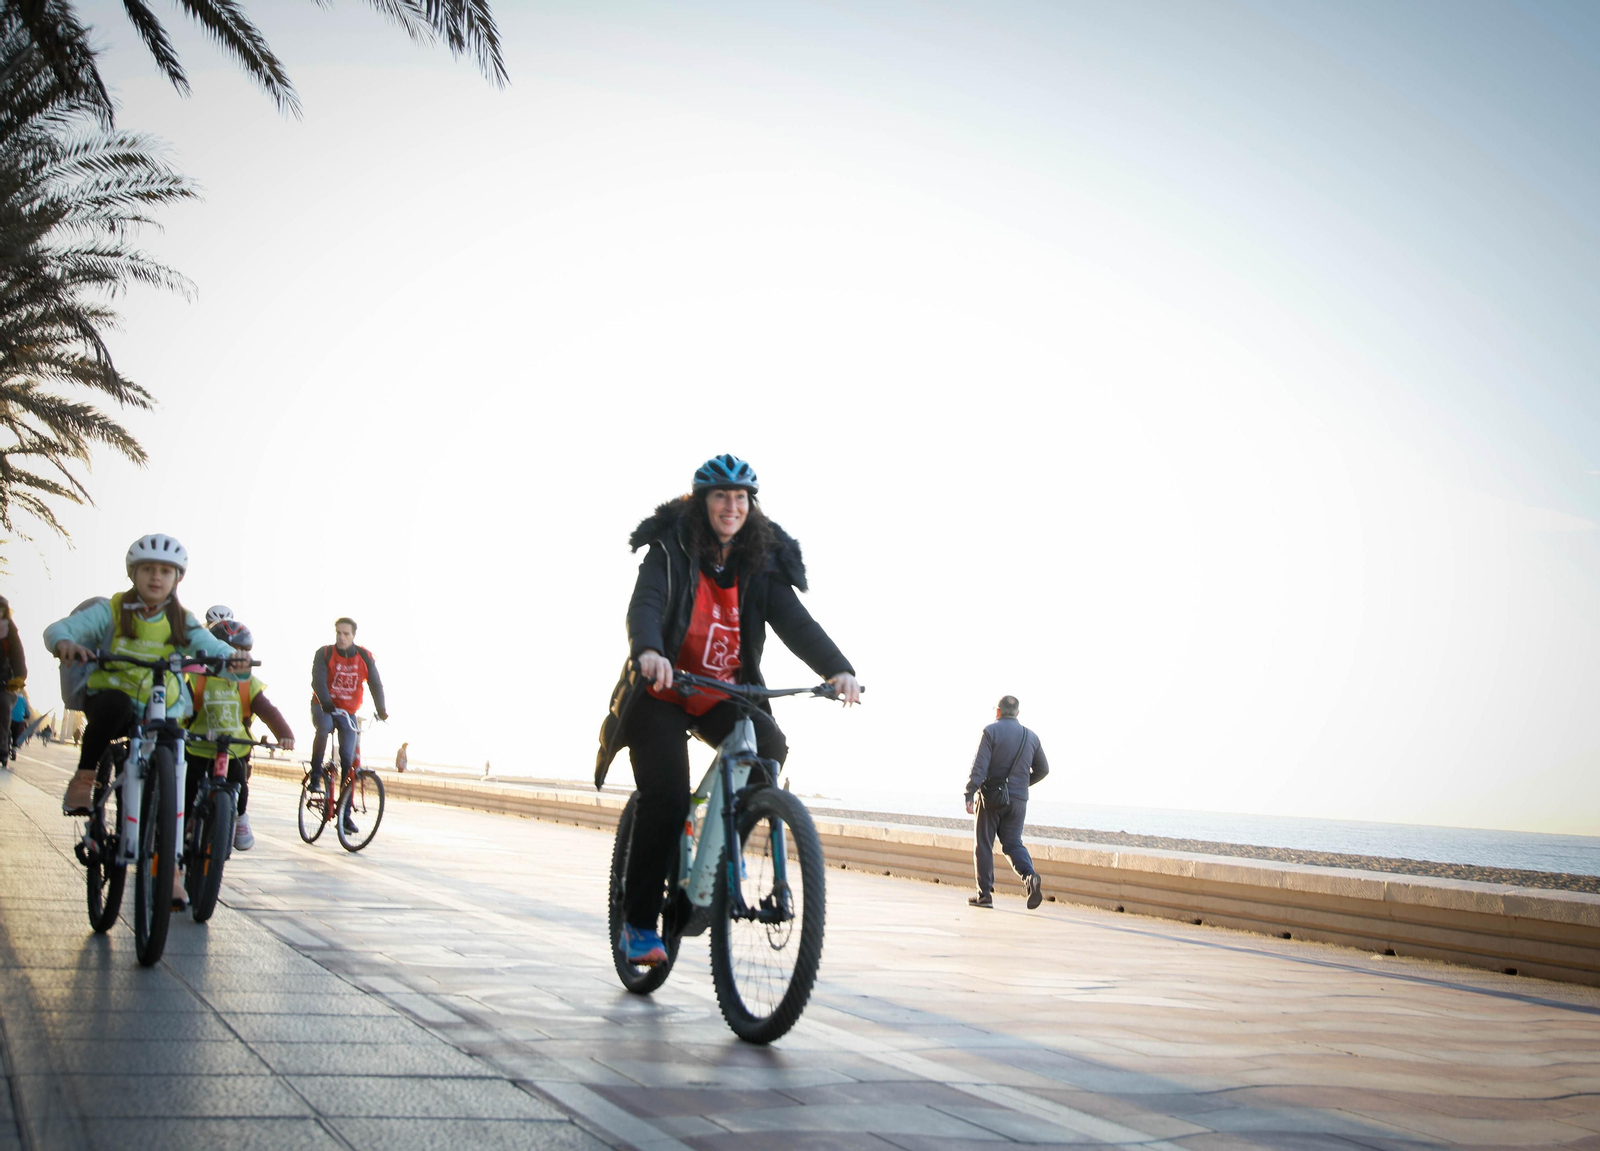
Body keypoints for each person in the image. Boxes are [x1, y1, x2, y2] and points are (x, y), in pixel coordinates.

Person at [597, 453, 860, 967]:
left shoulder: (759, 561)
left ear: (750, 506)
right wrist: (649, 652)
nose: (731, 506)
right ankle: (638, 925)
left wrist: (838, 669)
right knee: (667, 796)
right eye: (721, 496)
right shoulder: (670, 549)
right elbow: (645, 605)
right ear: (703, 502)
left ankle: (722, 856)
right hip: (662, 692)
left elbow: (796, 622)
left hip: (723, 693)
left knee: (769, 747)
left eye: (741, 498)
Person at [44, 534, 236, 907]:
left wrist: (232, 658)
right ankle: (84, 779)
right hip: (115, 701)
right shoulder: (113, 610)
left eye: (165, 571)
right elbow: (60, 629)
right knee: (114, 704)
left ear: (177, 578)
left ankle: (170, 870)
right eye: (148, 569)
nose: (156, 577)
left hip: (161, 706)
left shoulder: (182, 620)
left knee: (171, 770)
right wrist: (65, 642)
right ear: (133, 573)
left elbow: (212, 646)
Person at [184, 620, 295, 852]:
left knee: (239, 784)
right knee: (189, 786)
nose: (235, 658)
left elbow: (267, 710)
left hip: (234, 747)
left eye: (243, 652)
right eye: (229, 651)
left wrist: (284, 734)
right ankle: (183, 825)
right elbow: (179, 708)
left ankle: (241, 817)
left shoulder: (247, 683)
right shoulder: (194, 678)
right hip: (199, 746)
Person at [964, 695, 1050, 910]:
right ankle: (1029, 876)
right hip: (1019, 800)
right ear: (1017, 713)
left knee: (984, 844)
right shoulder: (1031, 736)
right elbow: (1043, 769)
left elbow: (980, 766)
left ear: (998, 711)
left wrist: (969, 793)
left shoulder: (990, 731)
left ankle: (984, 895)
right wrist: (1021, 784)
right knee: (1013, 844)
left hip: (991, 798)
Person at [309, 617, 387, 835]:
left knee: (348, 760)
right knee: (324, 728)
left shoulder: (364, 657)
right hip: (323, 706)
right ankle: (315, 776)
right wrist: (326, 702)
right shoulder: (324, 653)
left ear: (354, 636)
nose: (342, 638)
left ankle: (344, 815)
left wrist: (381, 709)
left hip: (347, 712)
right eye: (338, 633)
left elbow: (375, 683)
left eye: (346, 634)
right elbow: (318, 680)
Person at [0, 595, 27, 765]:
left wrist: (20, 676)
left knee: (2, 704)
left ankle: (2, 749)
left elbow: (18, 655)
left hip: (4, 683)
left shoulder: (9, 631)